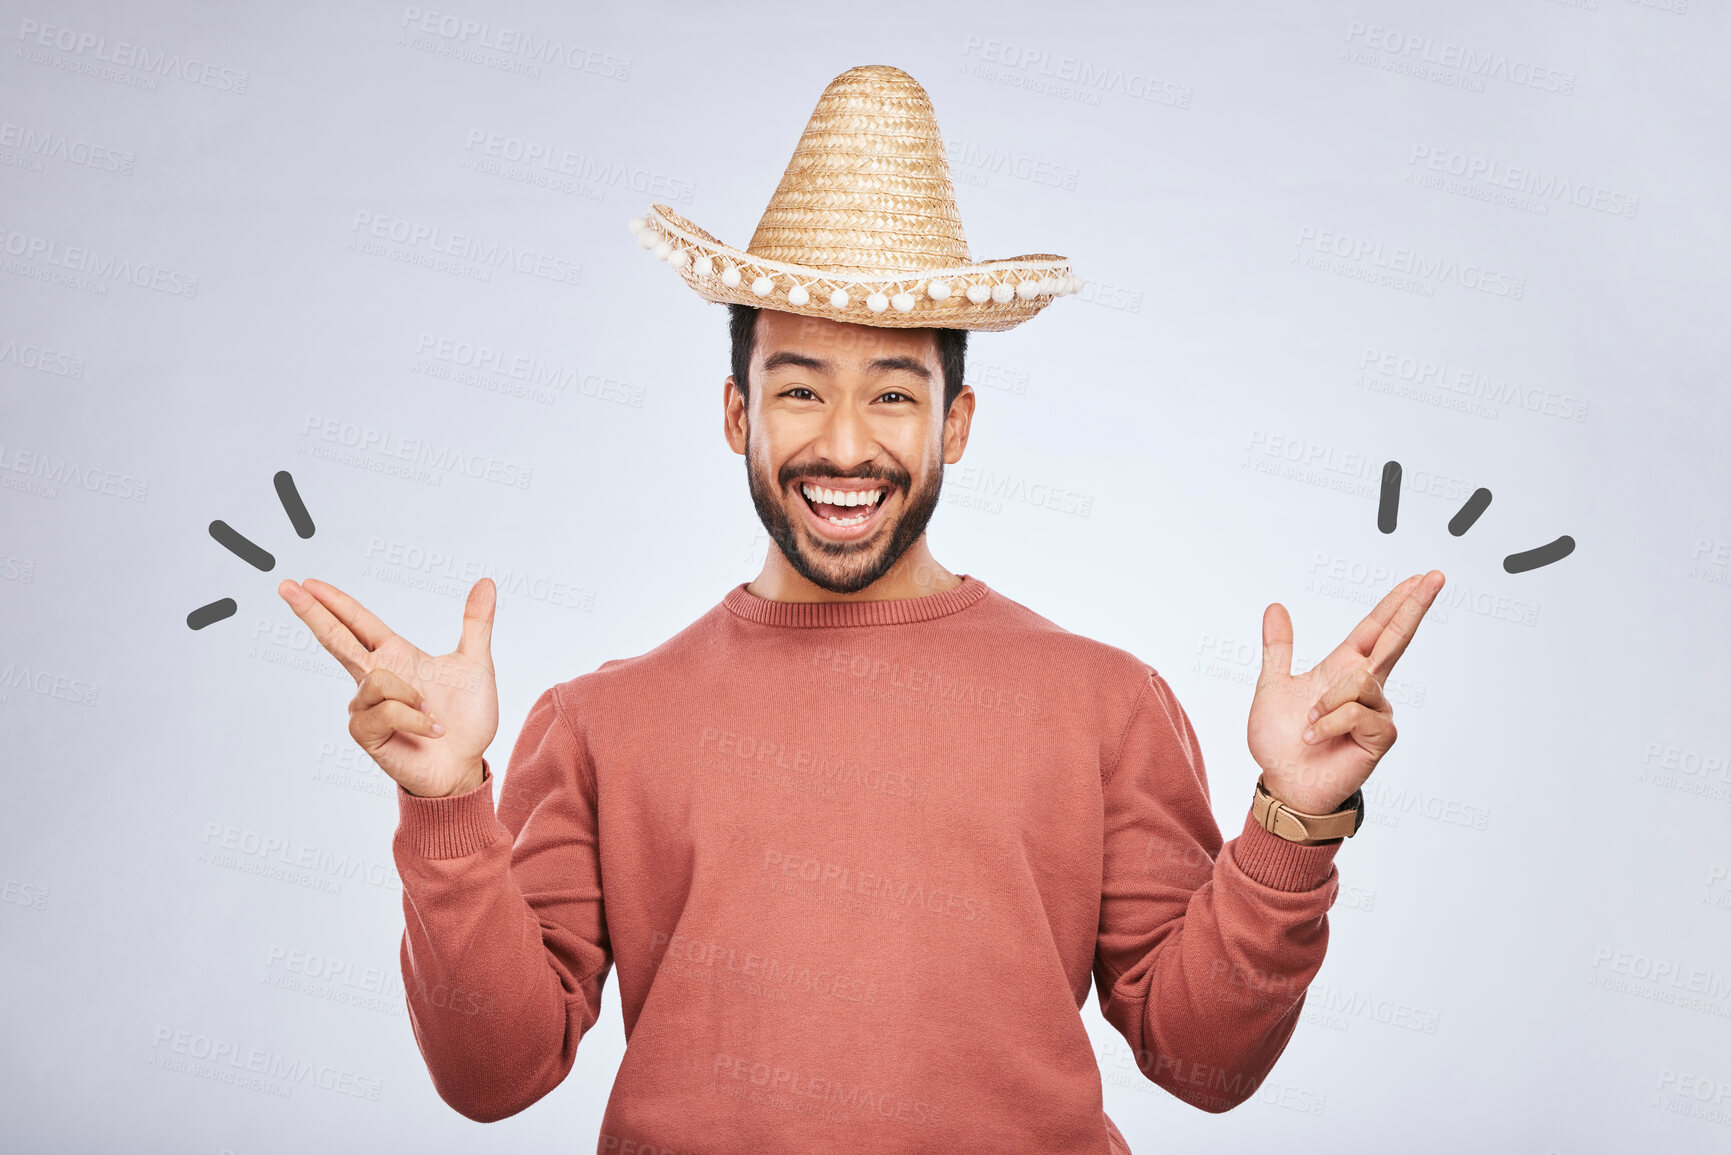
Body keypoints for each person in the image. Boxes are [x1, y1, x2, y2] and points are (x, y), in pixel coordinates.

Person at [278, 64, 1444, 1154]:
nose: (845, 444)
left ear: (957, 424)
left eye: (894, 391)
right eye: (799, 389)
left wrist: (1291, 826)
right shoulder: (599, 723)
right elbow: (495, 1077)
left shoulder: (1103, 703)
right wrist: (443, 810)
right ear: (737, 414)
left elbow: (1202, 1061)